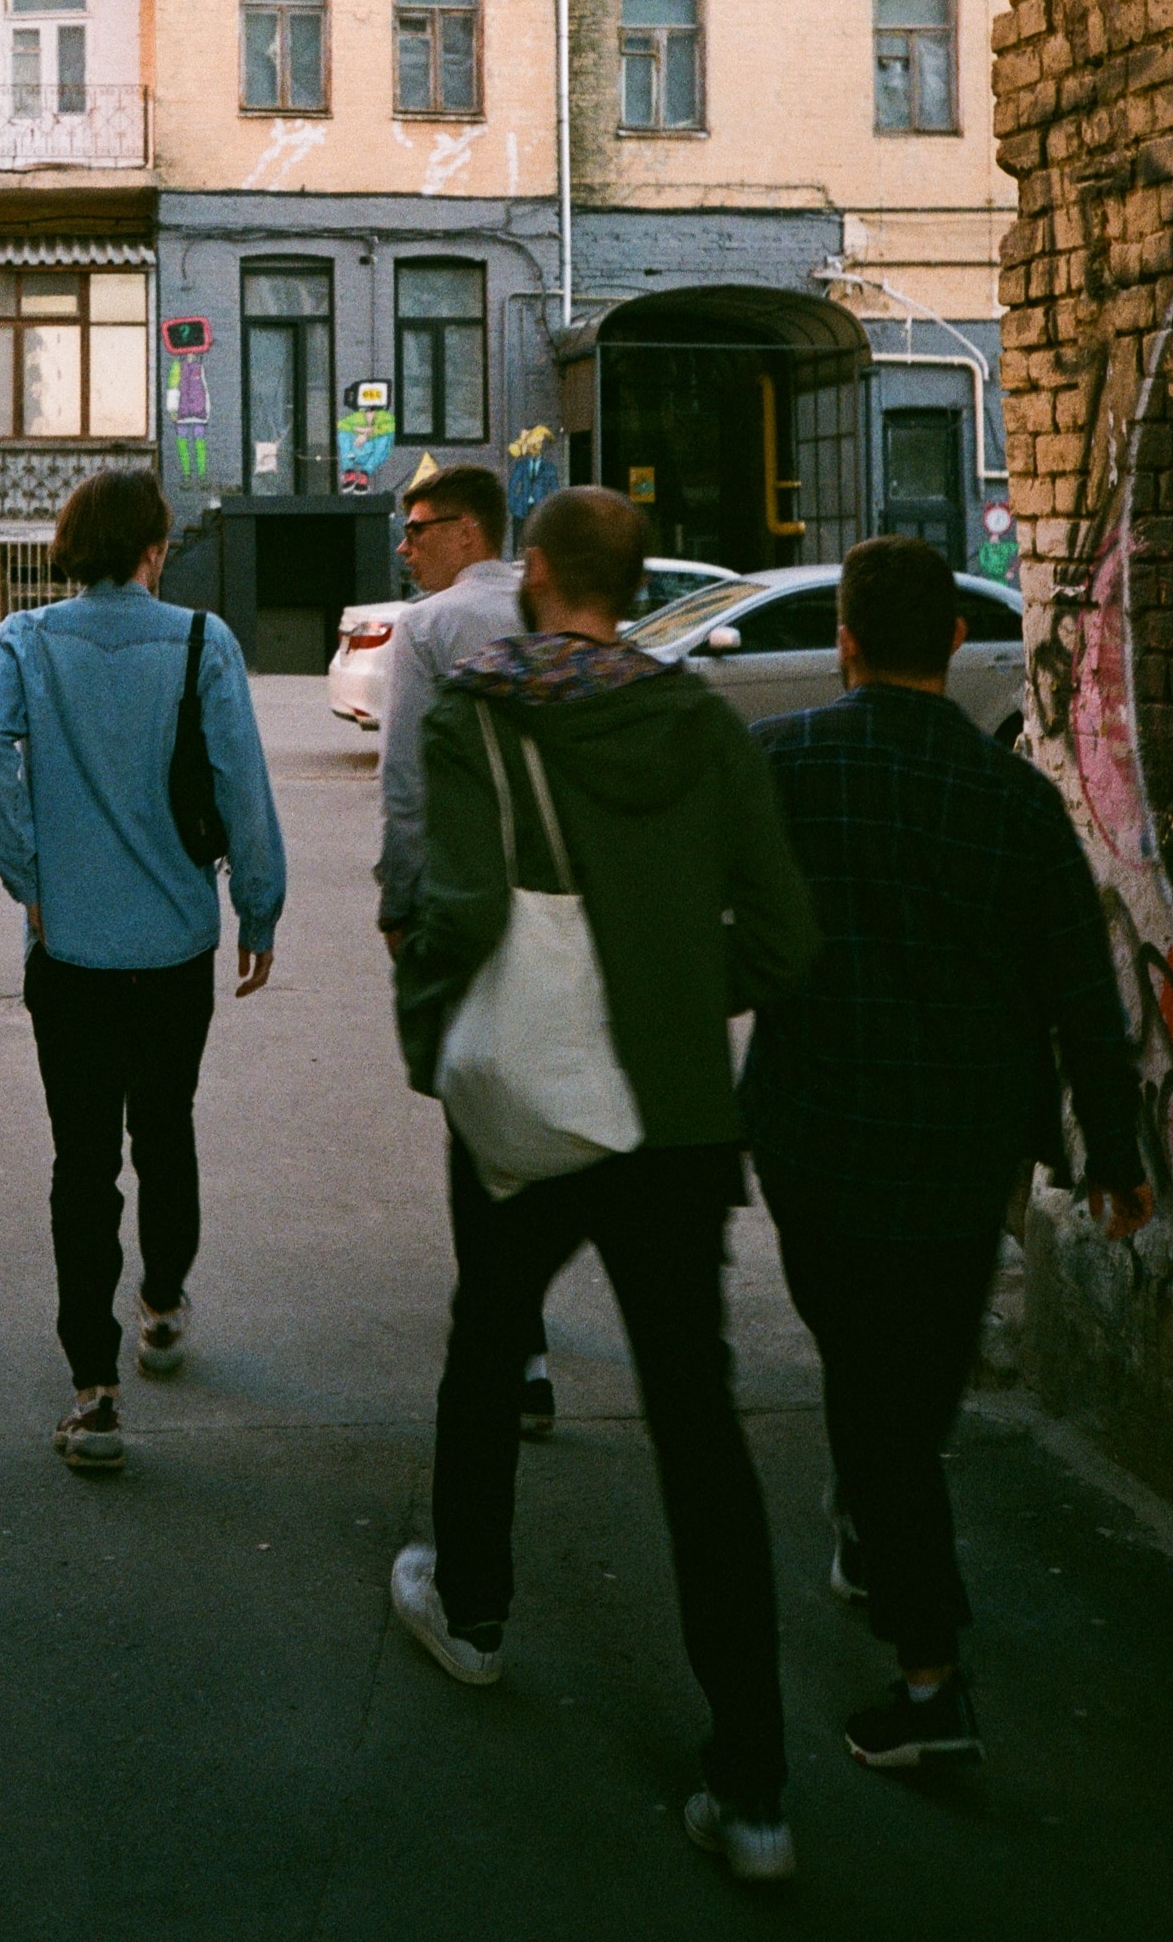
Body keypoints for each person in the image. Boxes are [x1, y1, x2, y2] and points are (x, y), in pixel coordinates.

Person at [391, 485, 820, 1885]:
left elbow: (451, 907)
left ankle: (469, 1605)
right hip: (677, 1118)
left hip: (522, 1101)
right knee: (695, 1423)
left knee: (485, 1342)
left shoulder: (474, 709)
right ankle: (751, 1790)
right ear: (632, 588)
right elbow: (784, 931)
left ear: (532, 574)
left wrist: (428, 1041)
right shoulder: (698, 721)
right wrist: (692, 999)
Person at [745, 533, 1153, 1776]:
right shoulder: (1017, 803)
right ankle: (876, 1522)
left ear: (845, 639)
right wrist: (1114, 1156)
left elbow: (730, 936)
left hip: (816, 1138)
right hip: (964, 1151)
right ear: (955, 647)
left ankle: (931, 1680)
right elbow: (1080, 994)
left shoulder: (783, 763)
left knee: (871, 1386)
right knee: (901, 1381)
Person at [0, 466, 286, 1473]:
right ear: (152, 549)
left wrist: (32, 876)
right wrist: (259, 907)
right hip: (177, 944)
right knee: (165, 1123)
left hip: (67, 953)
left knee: (80, 1162)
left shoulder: (18, 641)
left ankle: (93, 1393)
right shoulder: (204, 641)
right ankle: (159, 1304)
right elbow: (241, 780)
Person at [376, 464, 554, 1437]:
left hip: (464, 899)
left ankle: (512, 1345)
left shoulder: (430, 627)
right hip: (568, 897)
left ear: (466, 531)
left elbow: (405, 779)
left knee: (477, 1106)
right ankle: (534, 1321)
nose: (403, 546)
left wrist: (396, 899)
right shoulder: (551, 605)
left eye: (415, 528)